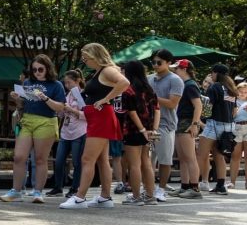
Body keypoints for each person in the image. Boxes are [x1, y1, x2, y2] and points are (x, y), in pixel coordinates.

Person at [60, 43, 130, 209]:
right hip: (98, 116)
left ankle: (79, 198)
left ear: (95, 55)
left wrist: (106, 99)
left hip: (101, 117)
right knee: (101, 159)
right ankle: (105, 197)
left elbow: (124, 82)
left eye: (86, 56)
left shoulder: (107, 69)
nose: (84, 60)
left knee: (87, 158)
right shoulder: (100, 71)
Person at [0, 55, 65, 204]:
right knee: (19, 157)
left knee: (40, 159)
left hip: (46, 121)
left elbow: (60, 107)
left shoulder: (56, 85)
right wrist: (17, 98)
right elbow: (23, 104)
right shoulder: (29, 82)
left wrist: (45, 98)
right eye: (34, 69)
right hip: (28, 120)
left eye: (40, 69)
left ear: (48, 68)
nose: (37, 72)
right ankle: (16, 191)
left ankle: (37, 192)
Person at [119, 60, 160, 205]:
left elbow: (131, 112)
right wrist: (153, 130)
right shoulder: (150, 90)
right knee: (146, 163)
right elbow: (157, 110)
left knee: (134, 164)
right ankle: (150, 195)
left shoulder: (128, 90)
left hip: (133, 130)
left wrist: (141, 129)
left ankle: (136, 196)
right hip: (149, 129)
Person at [147, 49, 183, 201]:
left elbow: (172, 103)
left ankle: (161, 189)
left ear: (169, 63)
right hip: (148, 124)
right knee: (147, 160)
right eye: (153, 62)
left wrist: (152, 97)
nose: (155, 65)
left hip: (165, 124)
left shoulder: (175, 80)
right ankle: (148, 187)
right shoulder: (148, 78)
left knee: (165, 159)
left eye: (159, 62)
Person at [196, 63, 237, 195]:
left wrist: (200, 118)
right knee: (219, 156)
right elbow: (235, 111)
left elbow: (208, 108)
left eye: (212, 73)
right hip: (228, 126)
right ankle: (221, 186)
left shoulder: (214, 87)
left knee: (200, 155)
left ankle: (194, 184)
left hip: (213, 124)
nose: (211, 75)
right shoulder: (231, 88)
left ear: (216, 73)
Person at [47, 70, 86, 197]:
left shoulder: (83, 95)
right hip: (66, 131)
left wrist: (72, 110)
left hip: (79, 132)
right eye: (66, 83)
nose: (67, 85)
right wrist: (61, 109)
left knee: (76, 162)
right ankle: (58, 187)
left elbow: (87, 115)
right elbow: (61, 114)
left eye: (69, 83)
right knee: (58, 161)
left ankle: (75, 188)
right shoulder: (67, 95)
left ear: (78, 81)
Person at [170, 59, 205, 198]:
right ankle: (184, 186)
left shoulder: (190, 85)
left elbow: (198, 105)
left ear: (184, 69)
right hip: (180, 122)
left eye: (176, 69)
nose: (174, 71)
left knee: (190, 157)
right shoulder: (184, 84)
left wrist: (195, 124)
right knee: (183, 157)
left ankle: (195, 188)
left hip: (187, 122)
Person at [227, 81, 247, 189]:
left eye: (245, 92)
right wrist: (235, 112)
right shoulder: (233, 101)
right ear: (237, 91)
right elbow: (229, 117)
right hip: (236, 127)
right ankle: (232, 182)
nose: (243, 94)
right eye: (241, 92)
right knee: (235, 155)